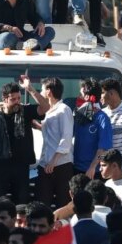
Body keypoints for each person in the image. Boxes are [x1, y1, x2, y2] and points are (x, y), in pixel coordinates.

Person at [0, 77, 47, 203]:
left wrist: (30, 89)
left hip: (21, 165)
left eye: (19, 98)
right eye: (13, 99)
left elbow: (45, 107)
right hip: (0, 165)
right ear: (4, 99)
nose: (17, 102)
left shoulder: (25, 111)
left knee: (22, 201)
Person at [36, 77, 74, 208]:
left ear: (49, 92)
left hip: (60, 165)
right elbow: (52, 134)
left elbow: (66, 137)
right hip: (45, 164)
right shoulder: (47, 111)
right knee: (42, 204)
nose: (40, 93)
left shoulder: (64, 109)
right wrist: (38, 126)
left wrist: (53, 161)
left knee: (62, 205)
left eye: (41, 90)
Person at [73, 77, 113, 179]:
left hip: (94, 172)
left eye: (80, 94)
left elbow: (103, 149)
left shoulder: (102, 118)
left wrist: (93, 167)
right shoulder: (78, 116)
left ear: (87, 97)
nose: (78, 97)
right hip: (75, 168)